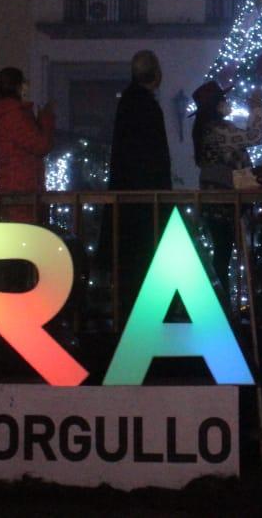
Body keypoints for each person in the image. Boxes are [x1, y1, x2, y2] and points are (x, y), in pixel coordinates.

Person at [108, 50, 173, 320]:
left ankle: (130, 313)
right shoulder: (146, 105)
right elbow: (155, 155)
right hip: (146, 197)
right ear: (156, 75)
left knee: (130, 257)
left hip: (128, 193)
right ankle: (144, 314)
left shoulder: (127, 103)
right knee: (144, 254)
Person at [192, 81, 262, 286]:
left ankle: (221, 302)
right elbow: (254, 136)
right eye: (223, 99)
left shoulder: (206, 130)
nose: (227, 102)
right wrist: (257, 107)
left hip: (215, 200)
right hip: (223, 201)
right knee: (222, 255)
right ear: (216, 106)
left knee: (221, 252)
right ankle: (220, 302)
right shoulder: (218, 131)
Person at [0, 67, 55, 222]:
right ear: (18, 86)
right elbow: (40, 145)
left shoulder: (9, 114)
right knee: (27, 237)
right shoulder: (13, 115)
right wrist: (46, 119)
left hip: (18, 188)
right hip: (22, 191)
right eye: (24, 83)